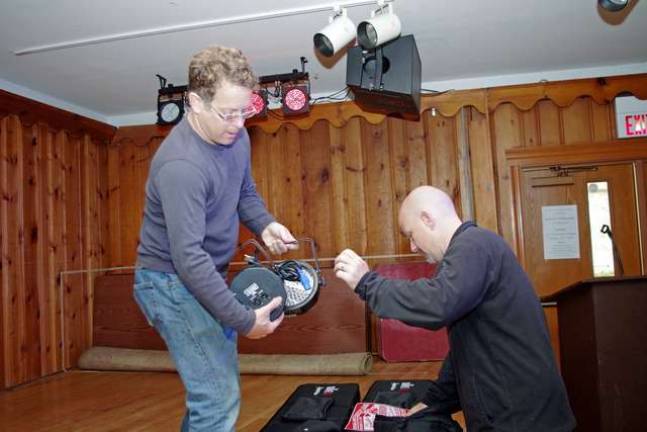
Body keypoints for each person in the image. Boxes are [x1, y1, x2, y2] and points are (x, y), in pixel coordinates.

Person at [134, 45, 298, 432]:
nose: (239, 123)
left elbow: (244, 194)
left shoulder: (234, 136)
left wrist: (266, 224)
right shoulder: (181, 166)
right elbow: (188, 259)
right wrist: (243, 321)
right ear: (193, 102)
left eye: (245, 110)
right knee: (217, 398)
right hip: (170, 284)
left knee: (213, 391)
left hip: (201, 276)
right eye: (228, 112)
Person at [334, 186, 575, 431]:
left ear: (427, 219)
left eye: (411, 234)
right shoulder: (474, 250)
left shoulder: (474, 244)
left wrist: (368, 284)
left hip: (523, 420)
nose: (413, 247)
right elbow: (467, 350)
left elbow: (438, 302)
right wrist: (432, 403)